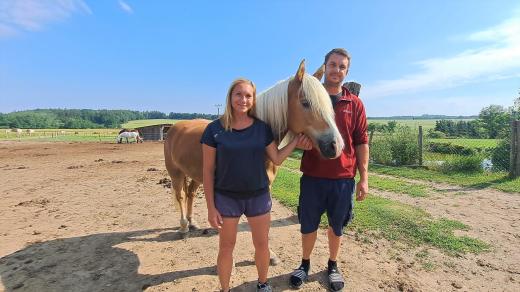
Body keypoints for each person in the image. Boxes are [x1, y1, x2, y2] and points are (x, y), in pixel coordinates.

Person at [201, 78, 305, 292]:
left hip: (258, 197)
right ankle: (224, 289)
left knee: (262, 245)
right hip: (227, 199)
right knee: (226, 247)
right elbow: (207, 171)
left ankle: (263, 283)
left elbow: (275, 158)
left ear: (253, 100)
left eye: (248, 95)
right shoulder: (213, 130)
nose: (243, 99)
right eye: (238, 94)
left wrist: (295, 142)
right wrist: (211, 207)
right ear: (230, 97)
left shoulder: (262, 128)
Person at [289, 48, 369, 291]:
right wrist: (300, 141)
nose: (337, 70)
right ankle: (304, 264)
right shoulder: (310, 99)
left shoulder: (354, 103)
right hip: (313, 176)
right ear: (325, 67)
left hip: (343, 179)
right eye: (333, 65)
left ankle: (332, 265)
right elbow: (296, 127)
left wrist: (364, 177)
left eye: (342, 66)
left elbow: (361, 141)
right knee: (308, 224)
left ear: (347, 71)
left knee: (337, 226)